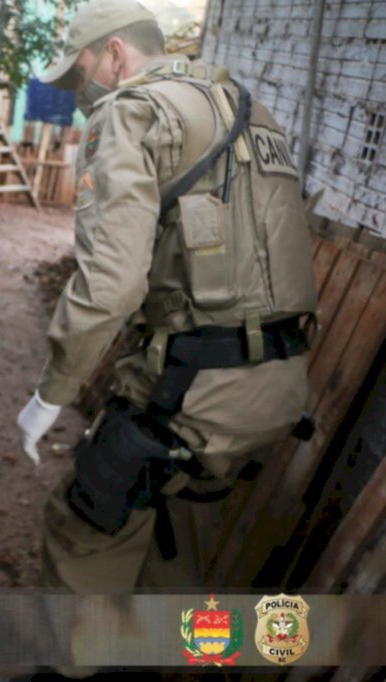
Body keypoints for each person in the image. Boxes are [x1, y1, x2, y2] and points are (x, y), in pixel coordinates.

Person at [17, 0, 318, 593]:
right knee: (170, 537)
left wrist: (51, 394)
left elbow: (113, 285)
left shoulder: (132, 113)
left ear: (114, 54)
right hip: (280, 387)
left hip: (191, 390)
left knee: (82, 530)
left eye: (79, 75)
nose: (81, 93)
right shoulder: (250, 111)